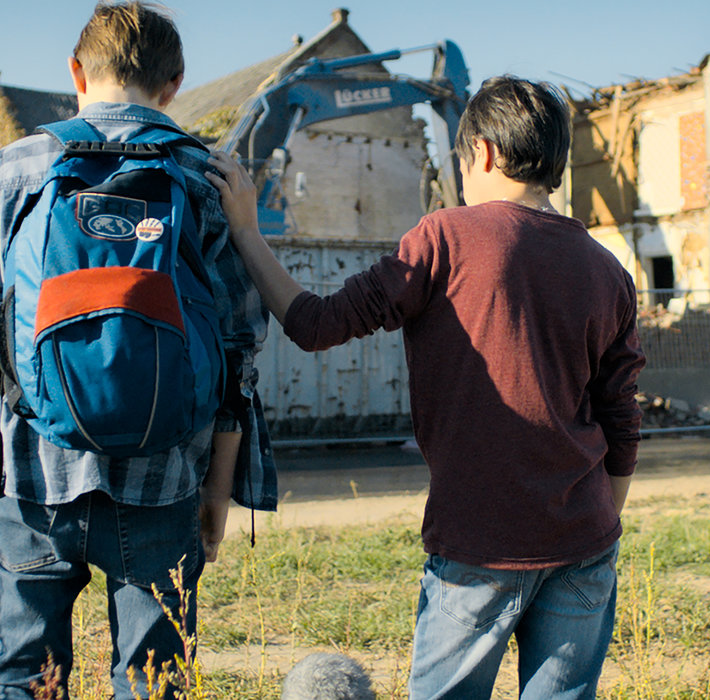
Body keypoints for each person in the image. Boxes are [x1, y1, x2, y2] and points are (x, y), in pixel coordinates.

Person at [205, 75, 644, 700]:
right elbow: (621, 420)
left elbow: (314, 324)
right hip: (587, 541)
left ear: (483, 153)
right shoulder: (611, 272)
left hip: (479, 544)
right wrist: (593, 523)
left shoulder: (445, 238)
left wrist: (247, 231)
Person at [0, 0, 274, 699]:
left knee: (25, 681)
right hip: (163, 482)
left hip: (34, 479)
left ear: (76, 70)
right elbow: (237, 349)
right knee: (154, 683)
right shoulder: (207, 178)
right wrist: (217, 493)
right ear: (176, 81)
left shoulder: (15, 169)